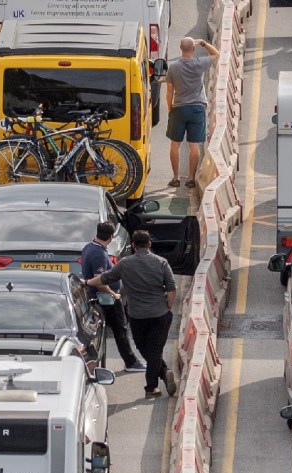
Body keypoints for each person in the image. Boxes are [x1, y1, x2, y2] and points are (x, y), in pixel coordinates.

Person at [81, 230, 177, 399]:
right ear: (149, 244)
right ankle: (163, 372)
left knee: (143, 347)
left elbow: (104, 278)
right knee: (155, 350)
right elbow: (171, 288)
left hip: (137, 316)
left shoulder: (125, 264)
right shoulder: (161, 262)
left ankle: (151, 387)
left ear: (133, 245)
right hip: (160, 314)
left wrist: (87, 282)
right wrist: (168, 307)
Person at [81, 222, 145, 372]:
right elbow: (100, 281)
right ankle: (131, 363)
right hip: (105, 298)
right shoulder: (99, 254)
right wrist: (113, 294)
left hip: (99, 296)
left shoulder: (89, 247)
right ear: (110, 237)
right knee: (120, 329)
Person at [165, 36, 220, 189]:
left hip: (179, 108)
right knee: (193, 145)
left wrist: (170, 108)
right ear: (193, 49)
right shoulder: (199, 63)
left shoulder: (173, 67)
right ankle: (190, 178)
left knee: (175, 144)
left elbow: (169, 90)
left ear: (180, 48)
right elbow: (216, 54)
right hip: (197, 108)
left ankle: (175, 177)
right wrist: (203, 43)